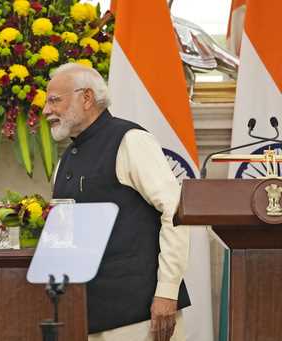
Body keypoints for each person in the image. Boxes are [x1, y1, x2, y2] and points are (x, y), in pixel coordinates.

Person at [43, 63, 191, 341]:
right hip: (85, 315)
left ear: (86, 98)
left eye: (54, 100)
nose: (46, 111)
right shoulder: (66, 159)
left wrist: (167, 292)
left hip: (139, 316)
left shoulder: (131, 140)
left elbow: (176, 213)